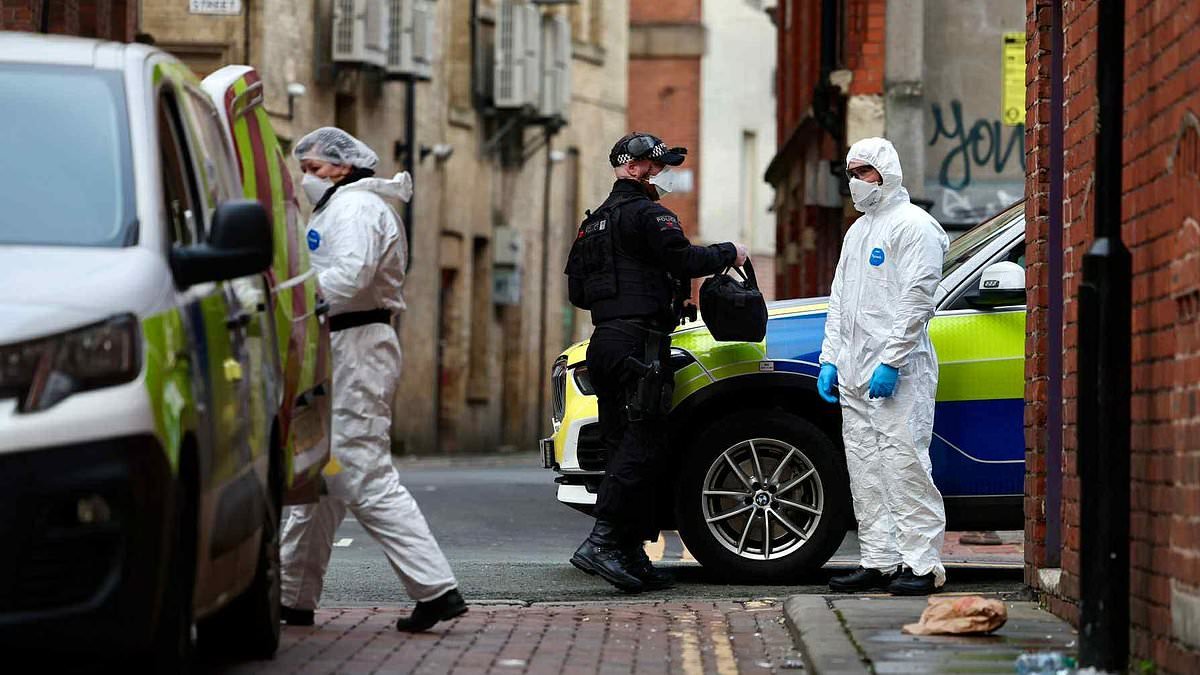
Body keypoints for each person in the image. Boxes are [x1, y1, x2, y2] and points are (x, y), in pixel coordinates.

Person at [278, 127, 465, 631]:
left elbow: (350, 276)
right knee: (321, 473)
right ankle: (293, 595)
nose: (307, 177)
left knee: (362, 469)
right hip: (339, 347)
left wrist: (290, 298)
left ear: (342, 167)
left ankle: (436, 588)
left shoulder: (357, 209)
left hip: (357, 348)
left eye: (314, 168)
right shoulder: (341, 208)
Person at [565, 132, 748, 593]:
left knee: (621, 445)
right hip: (639, 346)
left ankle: (629, 553)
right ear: (632, 168)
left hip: (605, 342)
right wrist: (729, 252)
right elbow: (684, 259)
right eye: (655, 166)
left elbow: (579, 292)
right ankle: (603, 542)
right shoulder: (649, 214)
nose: (661, 175)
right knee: (643, 446)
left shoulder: (593, 224)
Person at [817, 137, 950, 596]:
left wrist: (891, 361)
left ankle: (922, 565)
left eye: (864, 172)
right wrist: (830, 359)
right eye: (851, 173)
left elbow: (917, 300)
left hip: (900, 371)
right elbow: (840, 301)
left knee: (904, 463)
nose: (856, 182)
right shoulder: (857, 232)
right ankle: (879, 560)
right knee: (866, 468)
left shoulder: (915, 227)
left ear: (886, 172)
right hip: (854, 369)